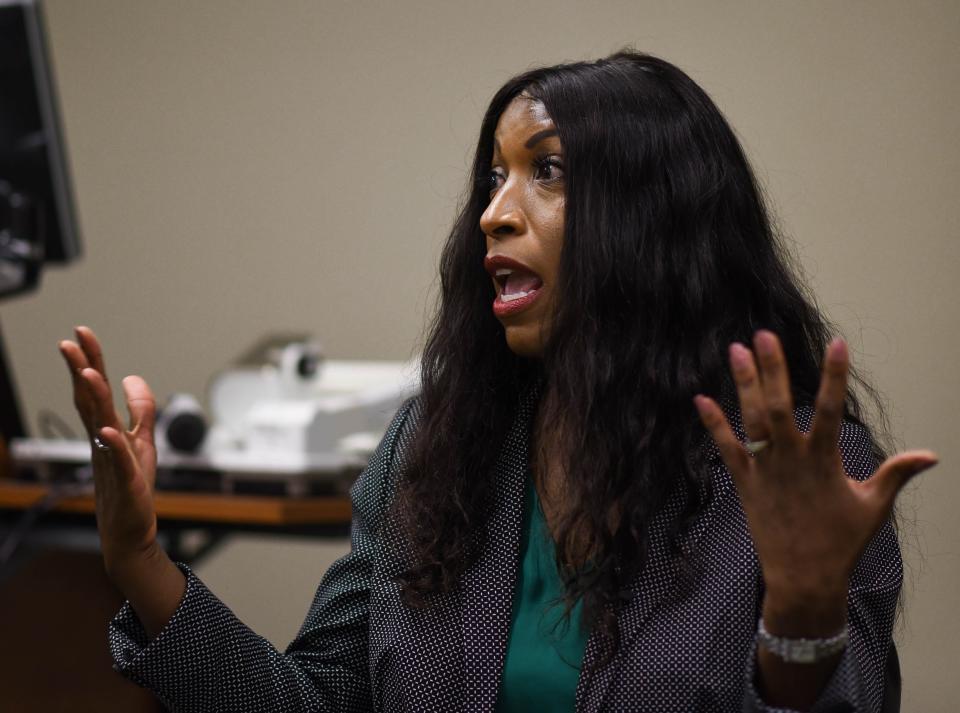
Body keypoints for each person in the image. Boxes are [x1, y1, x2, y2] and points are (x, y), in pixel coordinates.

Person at [58, 51, 936, 712]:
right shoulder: (434, 446)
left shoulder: (791, 466)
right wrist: (139, 560)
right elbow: (313, 700)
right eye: (494, 175)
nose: (493, 210)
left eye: (545, 170)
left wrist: (805, 614)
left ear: (653, 219)